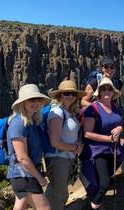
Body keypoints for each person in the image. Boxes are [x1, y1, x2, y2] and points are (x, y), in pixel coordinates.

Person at [81, 78, 124, 210]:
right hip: (98, 151)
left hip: (114, 150)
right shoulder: (92, 109)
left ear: (113, 92)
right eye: (103, 89)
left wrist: (120, 129)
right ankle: (93, 206)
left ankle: (95, 202)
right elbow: (87, 133)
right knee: (104, 183)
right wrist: (109, 139)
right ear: (99, 92)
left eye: (109, 88)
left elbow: (120, 122)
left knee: (104, 180)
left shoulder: (115, 106)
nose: (106, 91)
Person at [6, 84, 51, 210]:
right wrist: (40, 178)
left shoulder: (31, 122)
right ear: (23, 102)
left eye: (38, 99)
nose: (36, 102)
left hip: (23, 176)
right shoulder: (18, 123)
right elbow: (22, 158)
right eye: (31, 99)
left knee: (20, 207)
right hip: (24, 176)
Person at [44, 80, 85, 210]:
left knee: (60, 192)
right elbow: (54, 141)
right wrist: (75, 147)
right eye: (66, 93)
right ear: (60, 95)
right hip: (58, 159)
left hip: (67, 158)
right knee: (59, 194)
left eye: (73, 94)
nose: (70, 96)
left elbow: (69, 135)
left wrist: (77, 144)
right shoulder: (56, 112)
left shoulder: (69, 113)